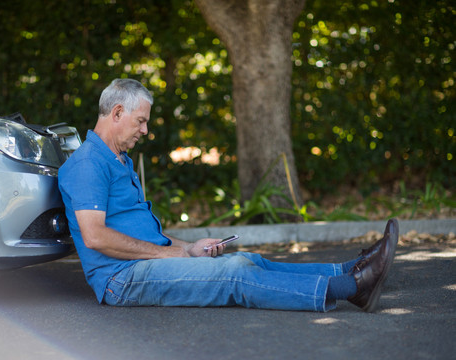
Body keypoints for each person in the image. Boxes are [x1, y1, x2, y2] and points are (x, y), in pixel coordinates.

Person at [58, 78, 399, 312]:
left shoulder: (119, 160)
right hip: (122, 279)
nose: (146, 130)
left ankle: (350, 268)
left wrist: (187, 248)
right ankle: (353, 289)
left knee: (249, 260)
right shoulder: (88, 163)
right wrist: (170, 257)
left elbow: (147, 236)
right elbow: (95, 237)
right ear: (117, 113)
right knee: (233, 274)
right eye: (141, 121)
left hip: (145, 263)